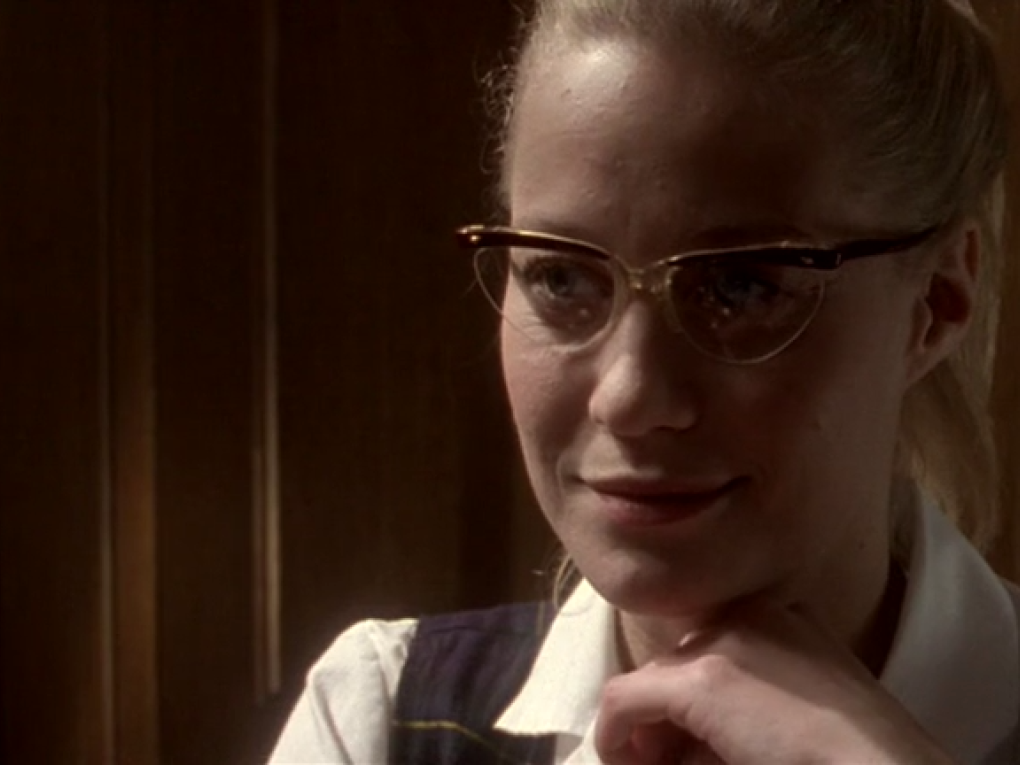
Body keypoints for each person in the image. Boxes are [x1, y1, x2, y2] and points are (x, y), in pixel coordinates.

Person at [269, 0, 1018, 762]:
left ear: (936, 301)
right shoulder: (385, 722)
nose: (628, 396)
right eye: (561, 278)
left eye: (739, 287)